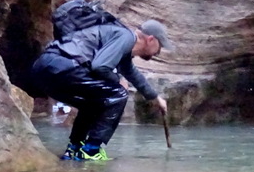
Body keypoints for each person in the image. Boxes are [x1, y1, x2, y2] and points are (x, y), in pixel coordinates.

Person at [31, 18, 172, 162]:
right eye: (160, 47)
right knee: (118, 94)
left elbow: (132, 74)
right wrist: (118, 80)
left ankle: (75, 148)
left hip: (43, 68)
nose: (158, 52)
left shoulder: (122, 44)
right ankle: (92, 150)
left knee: (93, 101)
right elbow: (100, 67)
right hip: (64, 66)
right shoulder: (126, 37)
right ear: (151, 39)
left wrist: (155, 98)